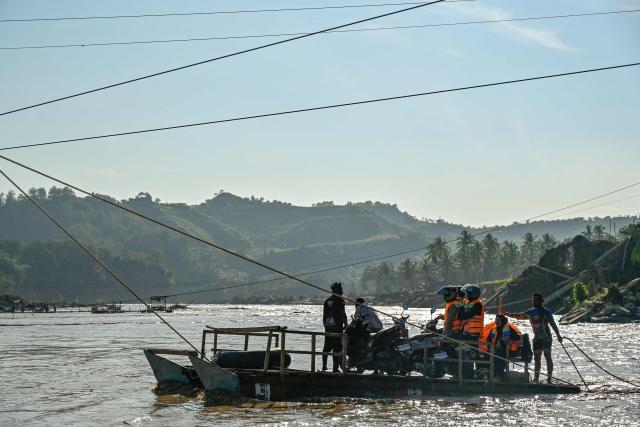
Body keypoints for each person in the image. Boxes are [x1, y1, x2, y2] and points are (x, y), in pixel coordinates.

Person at [505, 292, 563, 384]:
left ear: (541, 301)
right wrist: (507, 314)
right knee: (537, 359)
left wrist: (558, 335)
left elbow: (553, 324)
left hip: (546, 338)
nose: (534, 301)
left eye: (536, 300)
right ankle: (536, 379)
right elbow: (519, 316)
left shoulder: (546, 312)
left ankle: (549, 379)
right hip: (536, 339)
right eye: (533, 300)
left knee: (548, 357)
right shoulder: (530, 312)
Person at [322, 282, 348, 372]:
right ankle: (335, 368)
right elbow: (342, 314)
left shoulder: (327, 301)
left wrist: (325, 325)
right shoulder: (340, 301)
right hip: (336, 327)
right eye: (341, 290)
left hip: (328, 326)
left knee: (327, 346)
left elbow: (324, 316)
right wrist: (346, 324)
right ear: (339, 290)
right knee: (337, 347)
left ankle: (324, 366)